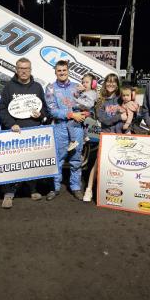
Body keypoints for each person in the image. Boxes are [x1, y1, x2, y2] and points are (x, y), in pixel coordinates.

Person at [0, 57, 48, 209]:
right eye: (21, 68)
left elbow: (44, 109)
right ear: (16, 69)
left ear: (31, 70)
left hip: (32, 131)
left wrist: (40, 115)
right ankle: (8, 194)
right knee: (13, 164)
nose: (24, 71)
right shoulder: (8, 87)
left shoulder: (37, 87)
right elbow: (2, 109)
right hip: (14, 132)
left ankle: (32, 189)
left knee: (31, 163)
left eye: (27, 68)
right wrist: (11, 124)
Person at [44, 60, 89, 201]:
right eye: (59, 71)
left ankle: (75, 187)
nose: (62, 73)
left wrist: (86, 113)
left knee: (76, 159)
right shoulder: (50, 88)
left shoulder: (77, 87)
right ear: (55, 72)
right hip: (60, 127)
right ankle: (55, 188)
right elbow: (52, 111)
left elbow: (88, 105)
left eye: (64, 70)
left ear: (68, 71)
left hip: (76, 127)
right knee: (58, 159)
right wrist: (70, 114)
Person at [83, 73, 128, 202]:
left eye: (114, 82)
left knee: (120, 166)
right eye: (108, 81)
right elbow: (104, 120)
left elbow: (131, 111)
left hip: (120, 137)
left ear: (117, 84)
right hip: (106, 137)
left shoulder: (121, 98)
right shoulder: (100, 100)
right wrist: (119, 117)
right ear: (105, 83)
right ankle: (89, 189)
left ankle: (117, 193)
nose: (111, 84)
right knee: (97, 164)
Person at [67, 73, 98, 151]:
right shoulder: (84, 93)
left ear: (93, 84)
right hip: (83, 112)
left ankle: (73, 141)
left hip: (86, 113)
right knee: (83, 125)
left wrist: (76, 100)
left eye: (87, 82)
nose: (84, 84)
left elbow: (89, 104)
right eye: (83, 82)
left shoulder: (92, 93)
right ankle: (85, 136)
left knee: (69, 124)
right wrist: (77, 93)